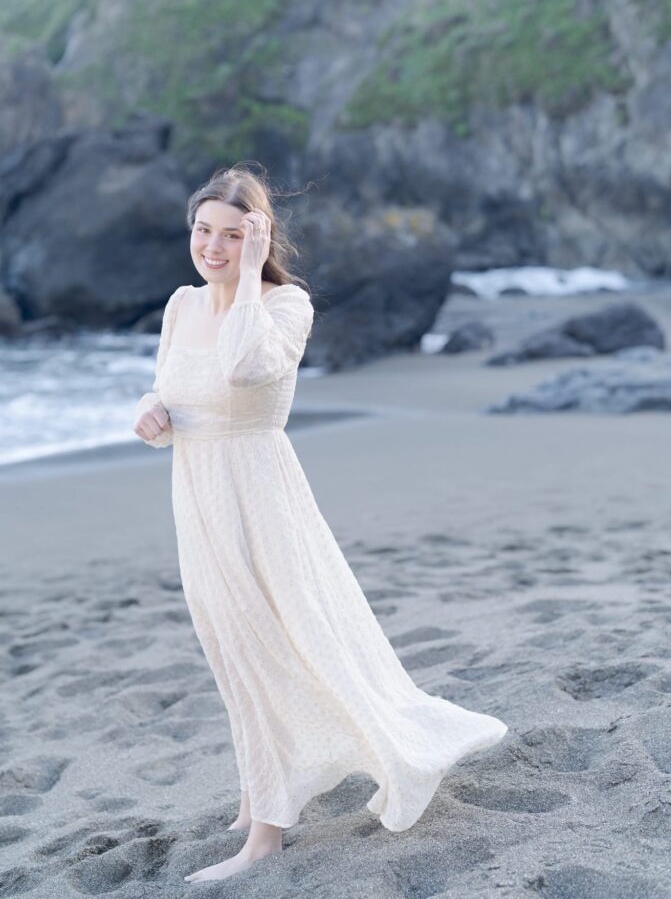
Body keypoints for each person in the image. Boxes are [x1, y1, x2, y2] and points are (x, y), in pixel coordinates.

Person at [133, 163, 508, 883]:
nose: (213, 247)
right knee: (227, 644)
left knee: (271, 641)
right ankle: (257, 794)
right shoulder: (182, 305)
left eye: (233, 235)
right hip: (197, 493)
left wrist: (246, 278)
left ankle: (266, 838)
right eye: (203, 231)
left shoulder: (284, 306)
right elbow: (173, 396)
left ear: (259, 236)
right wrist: (148, 416)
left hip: (259, 493)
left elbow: (244, 370)